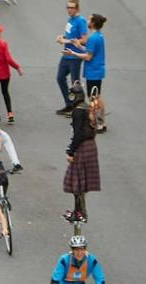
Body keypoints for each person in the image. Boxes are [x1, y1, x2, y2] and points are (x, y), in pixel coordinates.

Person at [63, 81, 101, 222]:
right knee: (80, 181)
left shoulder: (78, 111)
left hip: (82, 147)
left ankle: (80, 211)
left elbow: (78, 133)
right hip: (90, 146)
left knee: (76, 181)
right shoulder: (86, 108)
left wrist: (71, 151)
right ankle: (79, 210)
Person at [67, 13, 107, 133]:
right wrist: (78, 45)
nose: (87, 22)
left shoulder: (92, 38)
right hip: (97, 70)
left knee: (93, 97)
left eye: (89, 20)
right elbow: (90, 51)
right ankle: (100, 121)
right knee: (97, 96)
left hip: (93, 71)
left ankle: (98, 122)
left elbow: (88, 57)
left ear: (93, 23)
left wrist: (73, 53)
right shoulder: (98, 36)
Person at [55, 0, 88, 114]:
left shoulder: (80, 21)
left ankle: (79, 108)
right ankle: (69, 104)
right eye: (68, 7)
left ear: (77, 9)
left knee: (75, 83)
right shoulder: (70, 20)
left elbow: (84, 39)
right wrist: (62, 37)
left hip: (75, 56)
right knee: (60, 78)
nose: (69, 10)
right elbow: (70, 34)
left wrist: (66, 41)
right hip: (66, 55)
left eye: (72, 8)